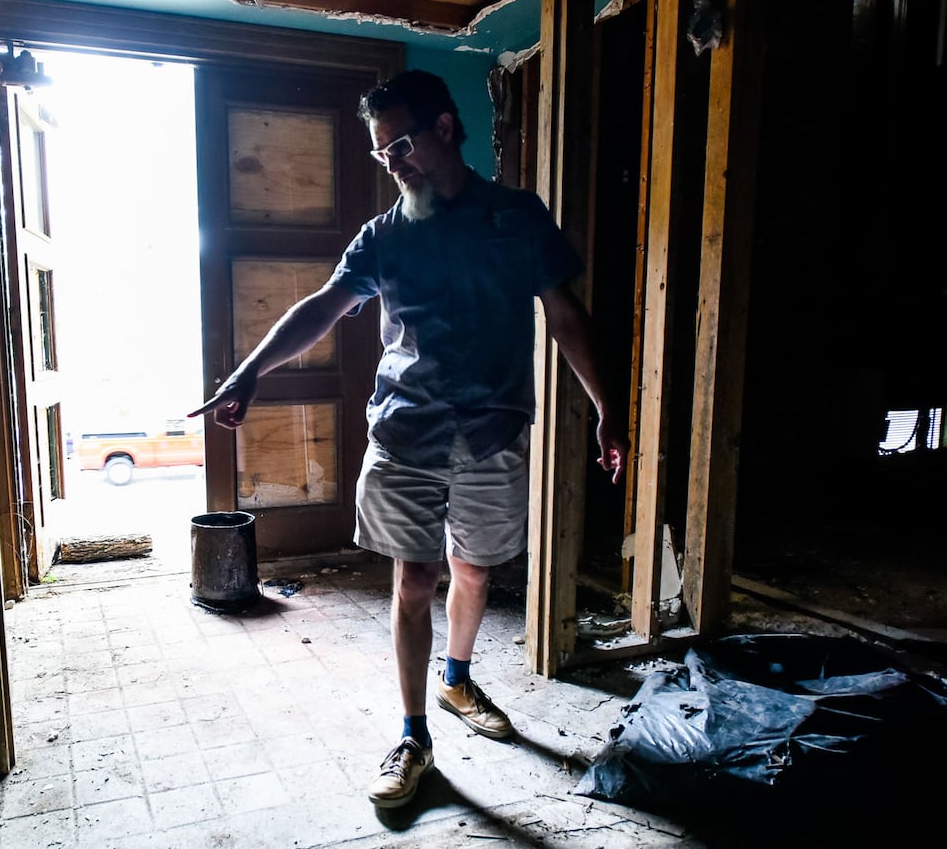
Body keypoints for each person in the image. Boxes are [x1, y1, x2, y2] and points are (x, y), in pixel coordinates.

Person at [188, 69, 628, 809]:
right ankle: (413, 734)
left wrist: (607, 407)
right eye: (380, 152)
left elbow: (567, 317)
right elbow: (324, 308)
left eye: (399, 145)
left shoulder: (517, 217)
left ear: (446, 130)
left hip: (493, 433)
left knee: (476, 571)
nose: (391, 162)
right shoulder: (383, 239)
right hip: (407, 435)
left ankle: (457, 681)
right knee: (414, 580)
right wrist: (250, 369)